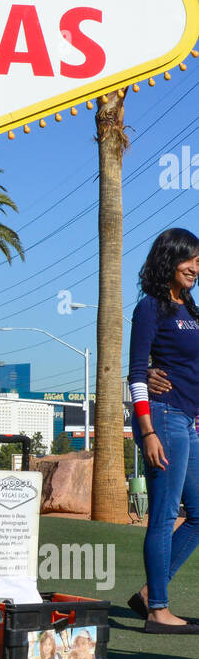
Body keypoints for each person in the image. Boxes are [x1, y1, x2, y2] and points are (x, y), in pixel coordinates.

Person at [127, 227, 199, 633]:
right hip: (163, 419)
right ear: (169, 259)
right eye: (189, 259)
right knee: (164, 513)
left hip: (186, 420)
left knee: (198, 513)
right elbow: (137, 373)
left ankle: (148, 593)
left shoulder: (189, 308)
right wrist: (148, 431)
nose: (195, 268)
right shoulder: (151, 307)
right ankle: (158, 610)